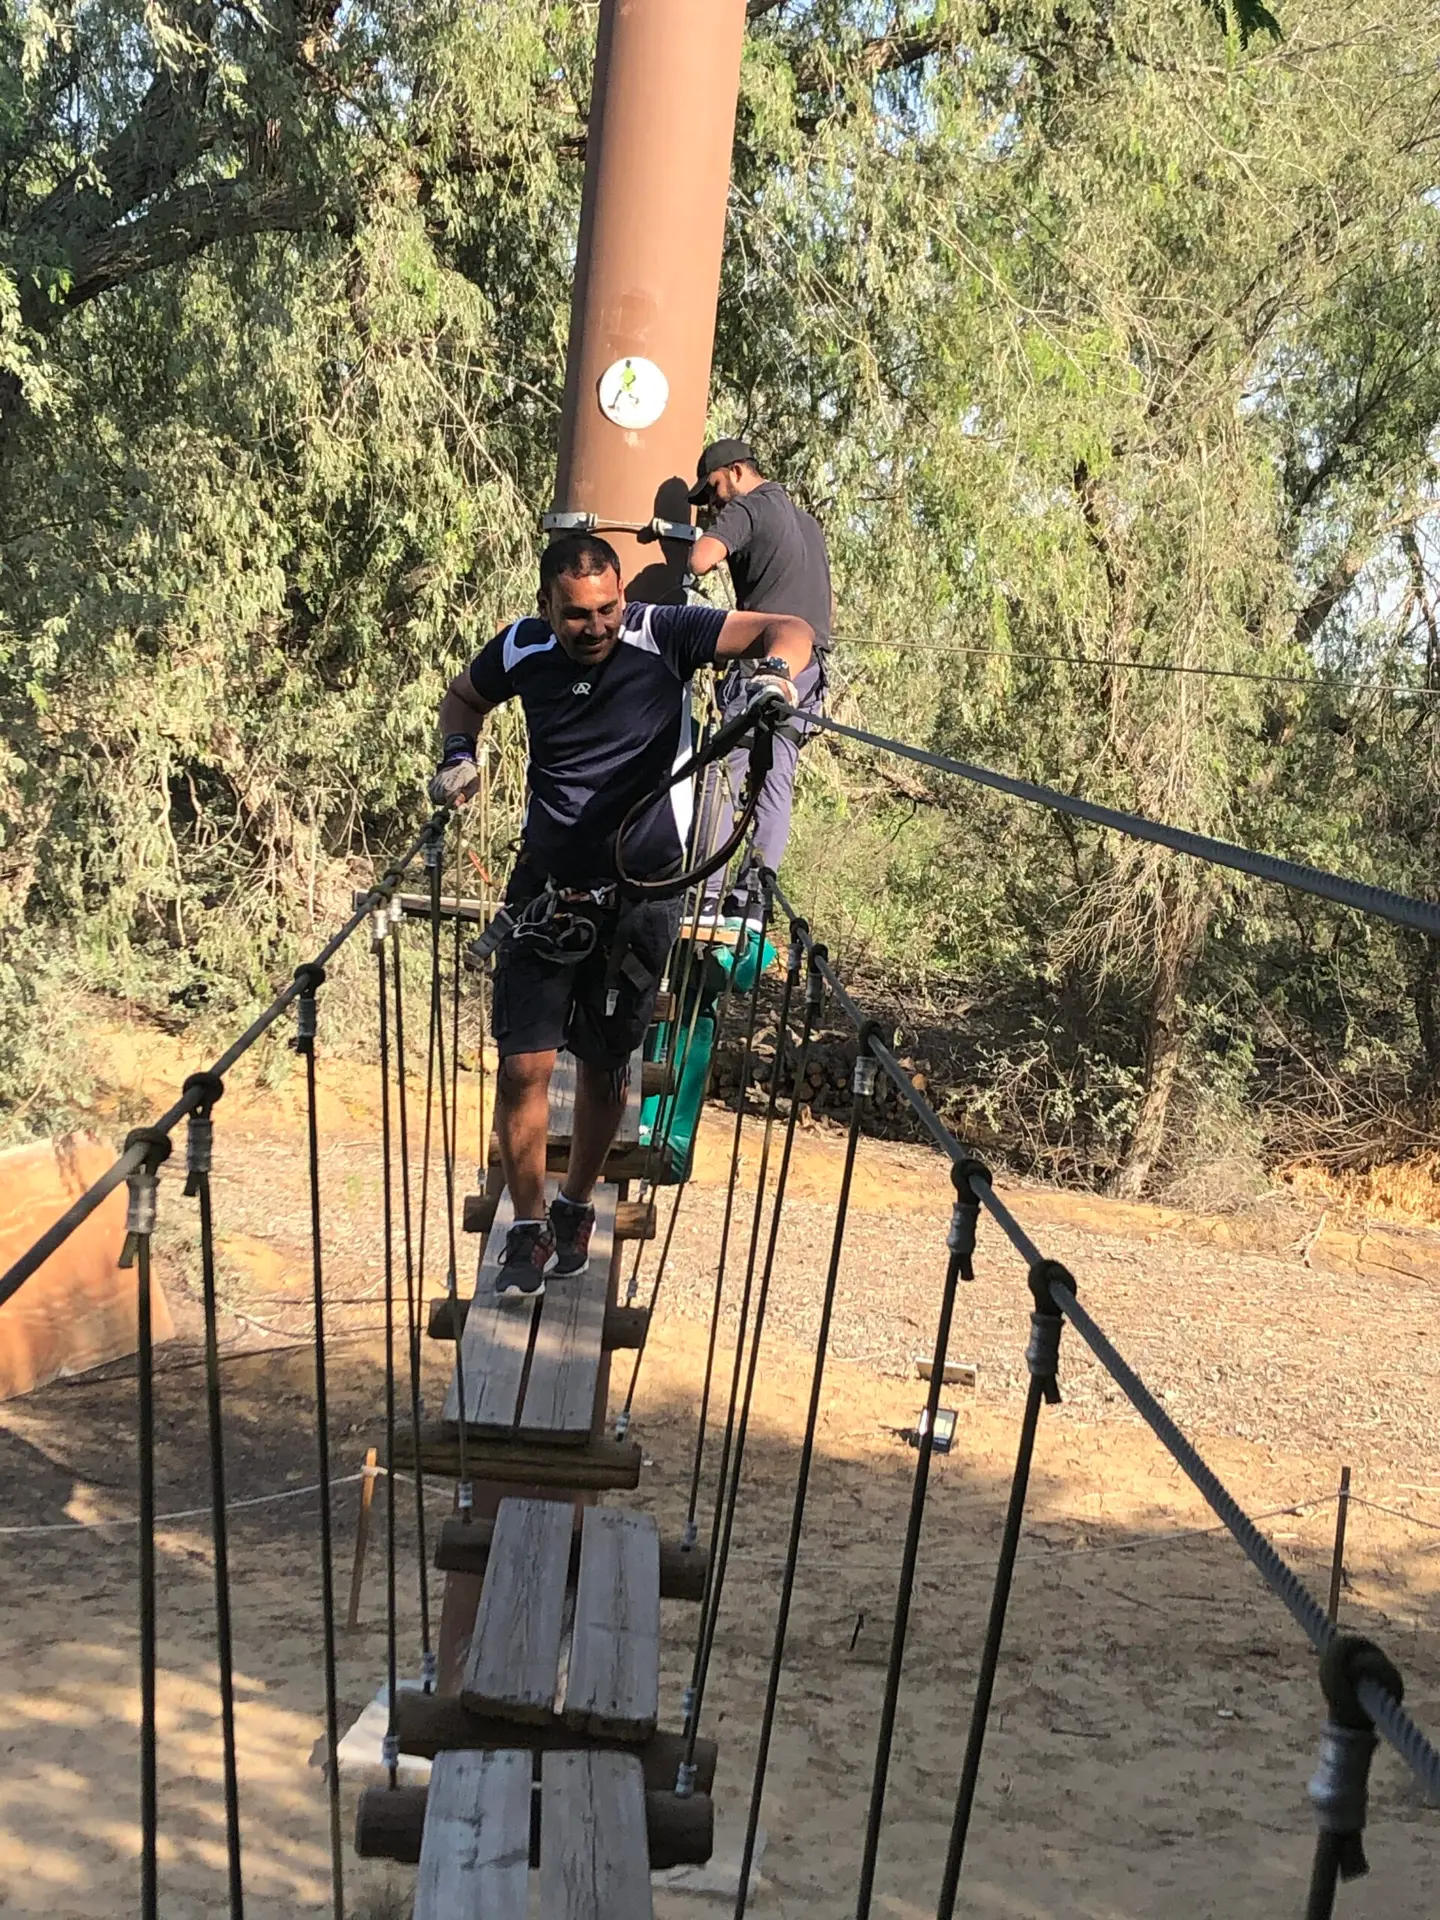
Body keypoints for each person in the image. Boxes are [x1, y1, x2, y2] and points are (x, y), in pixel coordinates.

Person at [429, 532, 814, 1298]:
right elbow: (462, 696)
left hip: (641, 895)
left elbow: (790, 630)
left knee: (607, 1067)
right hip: (545, 887)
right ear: (547, 607)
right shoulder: (520, 648)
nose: (596, 627)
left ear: (623, 601)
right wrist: (455, 754)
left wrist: (773, 676)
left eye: (608, 609)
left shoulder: (662, 631)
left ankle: (576, 1204)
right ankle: (530, 1223)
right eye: (577, 615)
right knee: (522, 1066)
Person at [686, 438, 832, 926]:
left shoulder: (748, 507)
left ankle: (702, 898)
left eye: (712, 491)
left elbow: (700, 559)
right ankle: (749, 904)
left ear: (735, 471)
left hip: (763, 665)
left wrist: (710, 533)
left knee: (721, 777)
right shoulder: (806, 522)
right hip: (809, 669)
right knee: (775, 780)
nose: (712, 504)